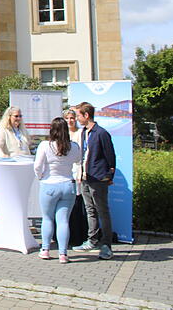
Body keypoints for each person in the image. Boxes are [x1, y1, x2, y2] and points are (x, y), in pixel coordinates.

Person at [34, 117, 81, 264]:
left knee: (47, 219)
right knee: (63, 221)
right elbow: (78, 160)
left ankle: (46, 250)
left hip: (49, 184)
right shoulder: (74, 146)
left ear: (52, 130)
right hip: (68, 185)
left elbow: (37, 166)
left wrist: (41, 177)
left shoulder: (44, 145)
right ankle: (63, 254)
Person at [73, 102, 116, 260]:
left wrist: (109, 176)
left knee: (102, 211)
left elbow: (110, 156)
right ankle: (92, 241)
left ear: (86, 115)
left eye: (78, 115)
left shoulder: (101, 133)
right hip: (85, 177)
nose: (77, 119)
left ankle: (106, 245)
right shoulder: (83, 132)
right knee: (90, 210)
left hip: (98, 178)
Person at [64, 108, 89, 246]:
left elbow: (82, 154)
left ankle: (79, 234)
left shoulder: (81, 133)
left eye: (72, 118)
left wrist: (80, 172)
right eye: (67, 118)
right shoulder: (62, 134)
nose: (70, 121)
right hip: (66, 173)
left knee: (78, 204)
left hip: (77, 171)